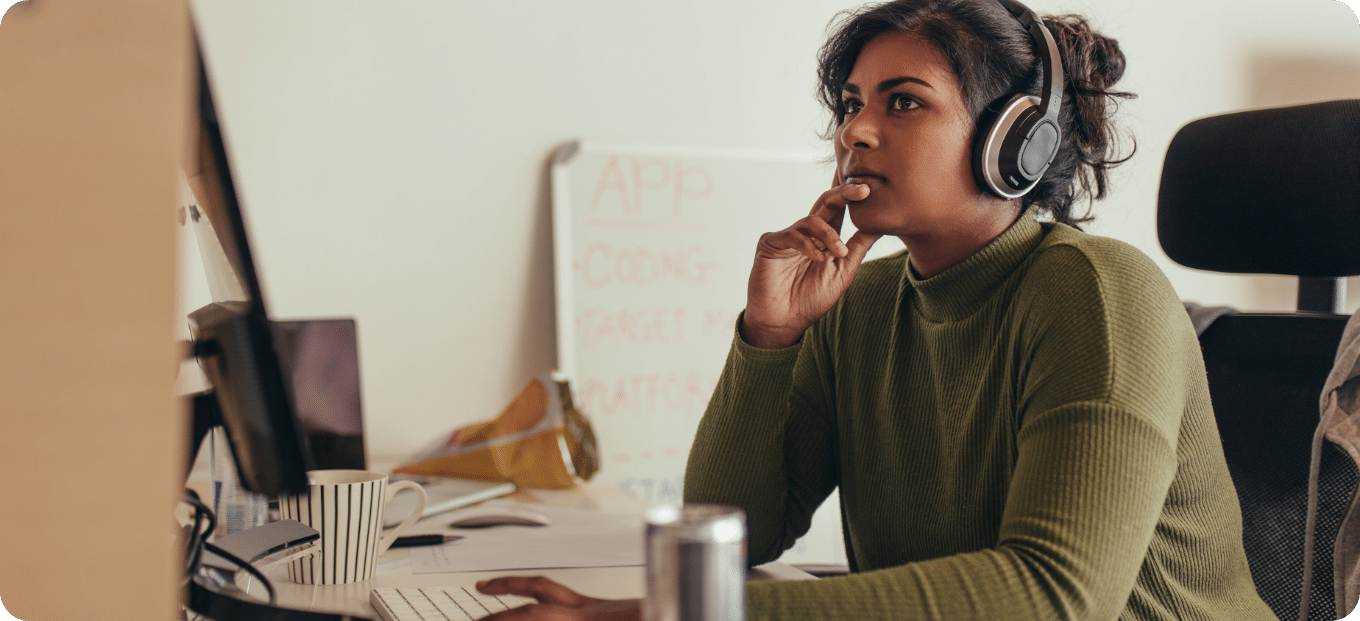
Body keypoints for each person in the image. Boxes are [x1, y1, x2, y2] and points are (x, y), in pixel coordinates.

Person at [475, 0, 1279, 619]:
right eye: (853, 103)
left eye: (903, 103)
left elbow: (1054, 595)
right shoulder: (862, 307)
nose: (855, 130)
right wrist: (770, 337)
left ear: (1014, 141)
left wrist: (682, 610)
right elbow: (738, 533)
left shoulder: (1099, 295)